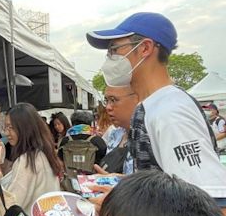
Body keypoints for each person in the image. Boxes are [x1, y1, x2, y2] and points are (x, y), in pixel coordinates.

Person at [86, 12, 226, 198]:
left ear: (145, 48)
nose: (109, 60)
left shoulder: (171, 112)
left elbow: (211, 203)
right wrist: (126, 185)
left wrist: (124, 207)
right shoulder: (152, 106)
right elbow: (166, 183)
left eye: (114, 50)